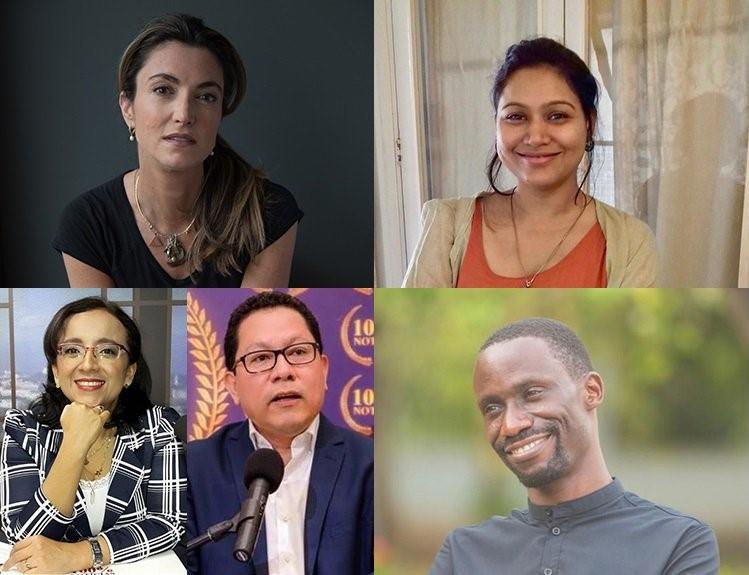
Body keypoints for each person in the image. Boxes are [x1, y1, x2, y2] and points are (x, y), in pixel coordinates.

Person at [430, 317, 718, 574]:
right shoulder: (464, 553)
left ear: (591, 392)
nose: (511, 425)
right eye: (493, 408)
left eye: (532, 394)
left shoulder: (678, 543)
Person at [53, 14, 303, 288]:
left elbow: (250, 329)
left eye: (206, 96)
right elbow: (106, 330)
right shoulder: (88, 223)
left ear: (220, 113)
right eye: (163, 90)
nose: (184, 115)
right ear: (128, 108)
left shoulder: (267, 211)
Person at [403, 37, 656, 288]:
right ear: (497, 125)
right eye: (516, 116)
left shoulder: (631, 243)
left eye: (557, 116)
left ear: (588, 124)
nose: (535, 137)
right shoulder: (445, 226)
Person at [187, 292, 373, 575]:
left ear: (323, 370)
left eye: (298, 352)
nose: (283, 371)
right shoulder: (193, 467)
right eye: (261, 358)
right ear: (232, 385)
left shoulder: (372, 464)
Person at [0, 297, 186, 573]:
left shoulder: (158, 426)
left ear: (129, 373)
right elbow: (24, 541)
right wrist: (74, 445)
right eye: (72, 350)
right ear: (56, 370)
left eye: (107, 351)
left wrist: (81, 554)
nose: (88, 364)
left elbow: (169, 524)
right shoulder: (22, 430)